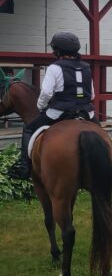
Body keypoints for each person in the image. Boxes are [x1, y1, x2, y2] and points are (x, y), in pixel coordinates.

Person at [8, 31, 96, 181]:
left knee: (28, 128)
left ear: (58, 51)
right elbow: (92, 95)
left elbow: (46, 93)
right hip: (86, 113)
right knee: (100, 133)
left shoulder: (54, 68)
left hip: (60, 112)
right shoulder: (86, 67)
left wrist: (40, 106)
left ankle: (24, 168)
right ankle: (110, 165)